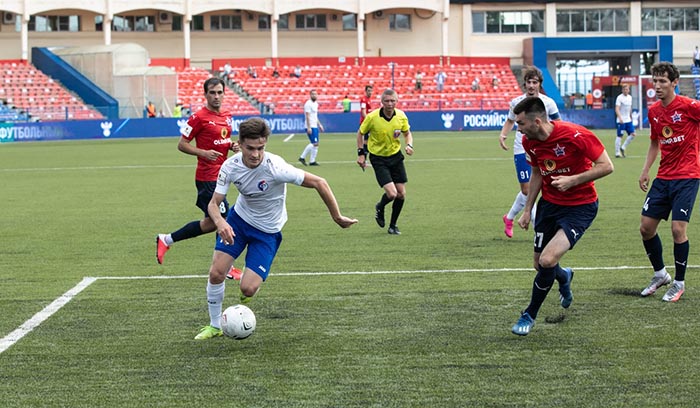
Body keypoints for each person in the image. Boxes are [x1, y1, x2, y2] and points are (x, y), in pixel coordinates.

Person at [194, 117, 357, 340]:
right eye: (250, 148)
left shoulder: (276, 167)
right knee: (216, 272)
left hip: (268, 231)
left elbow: (320, 182)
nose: (255, 154)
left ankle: (250, 280)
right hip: (239, 221)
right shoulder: (230, 167)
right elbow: (214, 203)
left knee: (248, 289)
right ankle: (215, 326)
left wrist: (337, 216)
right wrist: (221, 222)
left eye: (260, 148)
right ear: (239, 144)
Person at [510, 96, 614, 336]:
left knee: (547, 261)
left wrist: (573, 180)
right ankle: (564, 276)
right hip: (549, 206)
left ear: (537, 122)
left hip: (580, 207)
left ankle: (529, 314)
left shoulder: (576, 135)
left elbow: (607, 166)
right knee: (539, 264)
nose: (519, 129)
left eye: (521, 123)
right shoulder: (529, 141)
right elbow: (537, 172)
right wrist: (527, 209)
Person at [156, 77, 243, 280]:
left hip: (222, 175)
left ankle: (166, 239)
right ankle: (226, 267)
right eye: (212, 93)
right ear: (205, 95)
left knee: (211, 223)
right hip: (207, 177)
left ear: (224, 94)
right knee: (223, 218)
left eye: (219, 92)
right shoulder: (198, 117)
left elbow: (221, 139)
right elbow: (182, 144)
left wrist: (230, 145)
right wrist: (203, 153)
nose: (216, 96)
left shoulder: (227, 116)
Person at [638, 62, 700, 303]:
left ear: (674, 83)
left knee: (677, 230)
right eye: (655, 81)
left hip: (688, 176)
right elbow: (655, 141)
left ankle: (679, 283)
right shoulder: (654, 111)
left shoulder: (689, 106)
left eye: (662, 81)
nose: (657, 85)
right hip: (664, 177)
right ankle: (660, 274)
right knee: (646, 228)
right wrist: (646, 170)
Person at [499, 66, 560, 239]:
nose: (531, 85)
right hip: (522, 148)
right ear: (524, 84)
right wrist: (503, 135)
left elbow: (558, 122)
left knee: (541, 187)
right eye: (529, 82)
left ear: (540, 84)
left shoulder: (548, 102)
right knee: (527, 189)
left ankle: (509, 217)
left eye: (535, 82)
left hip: (544, 148)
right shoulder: (517, 102)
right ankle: (536, 228)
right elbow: (510, 120)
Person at [357, 89, 414, 235]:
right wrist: (361, 154)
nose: (390, 104)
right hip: (378, 158)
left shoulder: (401, 116)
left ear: (397, 101)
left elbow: (407, 133)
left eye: (392, 101)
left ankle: (393, 225)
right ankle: (380, 206)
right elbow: (360, 133)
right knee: (392, 194)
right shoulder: (372, 117)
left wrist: (409, 145)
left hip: (395, 157)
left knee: (401, 194)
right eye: (387, 101)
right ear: (381, 102)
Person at [298, 89, 324, 166]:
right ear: (310, 95)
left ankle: (312, 161)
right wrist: (309, 127)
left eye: (315, 94)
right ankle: (302, 157)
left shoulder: (316, 104)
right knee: (314, 143)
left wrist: (319, 124)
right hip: (310, 126)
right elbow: (307, 116)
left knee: (316, 144)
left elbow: (315, 116)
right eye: (313, 94)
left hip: (315, 125)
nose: (314, 95)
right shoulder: (308, 104)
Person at [614, 84, 636, 158]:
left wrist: (631, 116)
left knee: (633, 134)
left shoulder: (630, 97)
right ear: (622, 90)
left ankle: (623, 147)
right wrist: (620, 118)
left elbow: (630, 108)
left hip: (628, 120)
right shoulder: (619, 98)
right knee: (620, 135)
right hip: (621, 120)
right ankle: (617, 152)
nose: (626, 91)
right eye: (625, 89)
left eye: (627, 89)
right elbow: (617, 108)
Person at [359, 85, 374, 152]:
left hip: (368, 122)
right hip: (365, 122)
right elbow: (363, 112)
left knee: (368, 140)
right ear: (365, 91)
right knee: (366, 140)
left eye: (371, 91)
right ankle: (364, 156)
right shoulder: (364, 100)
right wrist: (368, 120)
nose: (370, 92)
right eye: (368, 91)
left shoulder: (369, 99)